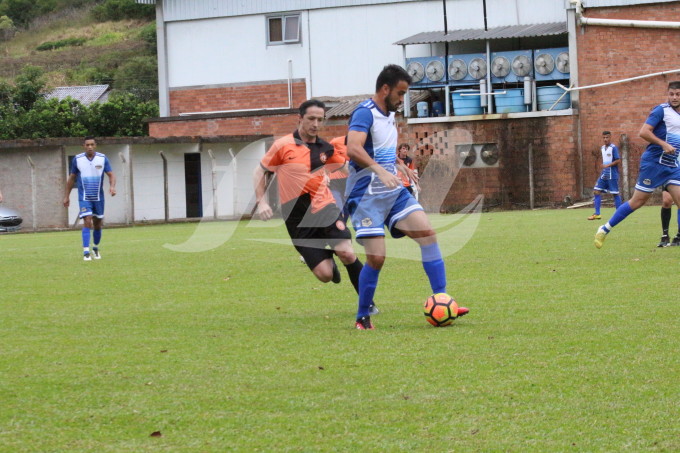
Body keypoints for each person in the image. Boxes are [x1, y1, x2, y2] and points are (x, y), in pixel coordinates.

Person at [345, 64, 468, 330]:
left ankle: (444, 300)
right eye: (400, 94)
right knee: (377, 258)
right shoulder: (364, 113)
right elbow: (353, 149)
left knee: (427, 234)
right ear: (385, 89)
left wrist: (399, 167)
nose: (402, 101)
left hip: (392, 191)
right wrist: (379, 170)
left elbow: (381, 150)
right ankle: (362, 317)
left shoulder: (388, 114)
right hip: (365, 196)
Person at [253, 99, 378, 315]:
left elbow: (347, 168)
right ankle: (329, 261)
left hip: (325, 208)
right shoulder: (282, 146)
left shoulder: (325, 148)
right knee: (325, 275)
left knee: (347, 252)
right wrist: (262, 202)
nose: (316, 124)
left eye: (320, 119)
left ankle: (367, 303)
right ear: (300, 118)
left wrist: (373, 177)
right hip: (296, 218)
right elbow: (259, 172)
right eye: (311, 118)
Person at [595, 81, 680, 248]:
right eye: (672, 94)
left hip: (672, 165)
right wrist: (663, 144)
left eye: (678, 94)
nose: (675, 97)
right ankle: (604, 228)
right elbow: (643, 132)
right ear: (667, 95)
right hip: (653, 163)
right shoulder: (661, 110)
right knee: (637, 201)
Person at [63, 137, 116, 260]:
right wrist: (67, 196)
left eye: (92, 144)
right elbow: (71, 178)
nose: (90, 147)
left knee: (97, 224)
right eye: (87, 145)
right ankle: (86, 252)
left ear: (95, 145)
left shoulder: (102, 158)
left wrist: (112, 187)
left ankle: (95, 248)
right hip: (84, 197)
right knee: (87, 219)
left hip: (98, 198)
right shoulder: (78, 159)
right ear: (84, 146)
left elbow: (111, 175)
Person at [587, 131, 622, 220]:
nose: (605, 139)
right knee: (596, 191)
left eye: (607, 137)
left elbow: (618, 160)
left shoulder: (613, 148)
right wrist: (604, 166)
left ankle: (620, 213)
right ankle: (597, 214)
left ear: (610, 138)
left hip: (612, 174)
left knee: (615, 194)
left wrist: (607, 165)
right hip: (604, 174)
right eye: (604, 138)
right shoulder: (602, 148)